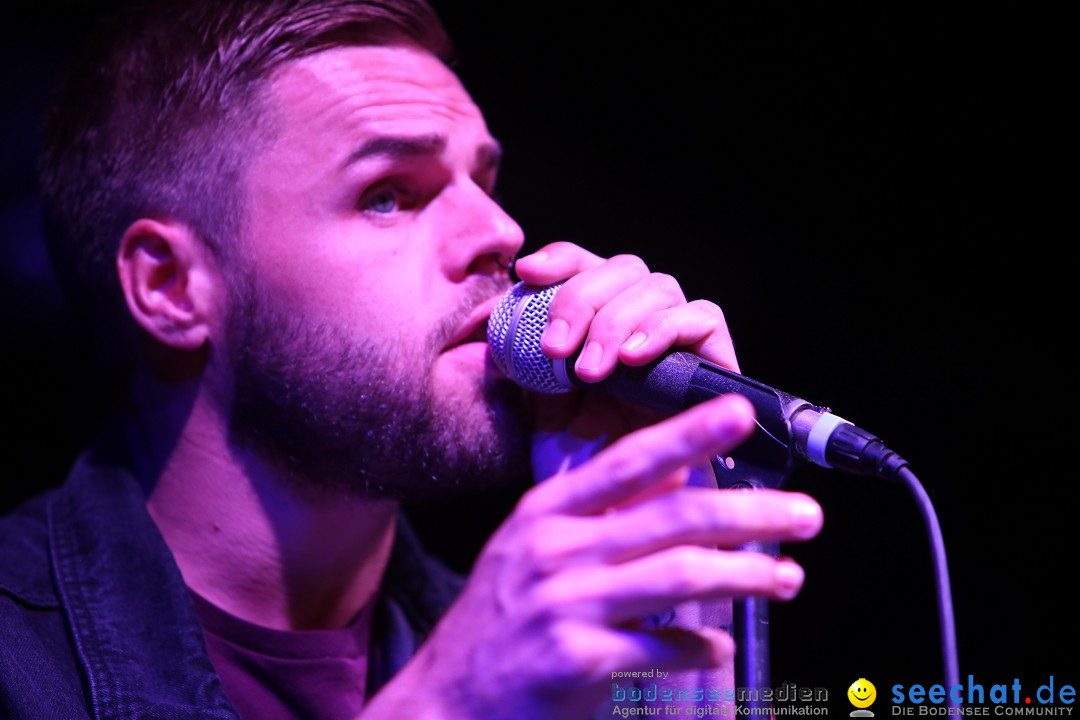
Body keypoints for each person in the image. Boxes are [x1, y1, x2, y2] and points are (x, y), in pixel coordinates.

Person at [0, 0, 824, 717]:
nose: (500, 235)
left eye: (485, 184)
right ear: (173, 287)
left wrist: (665, 617)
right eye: (387, 194)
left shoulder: (519, 649)